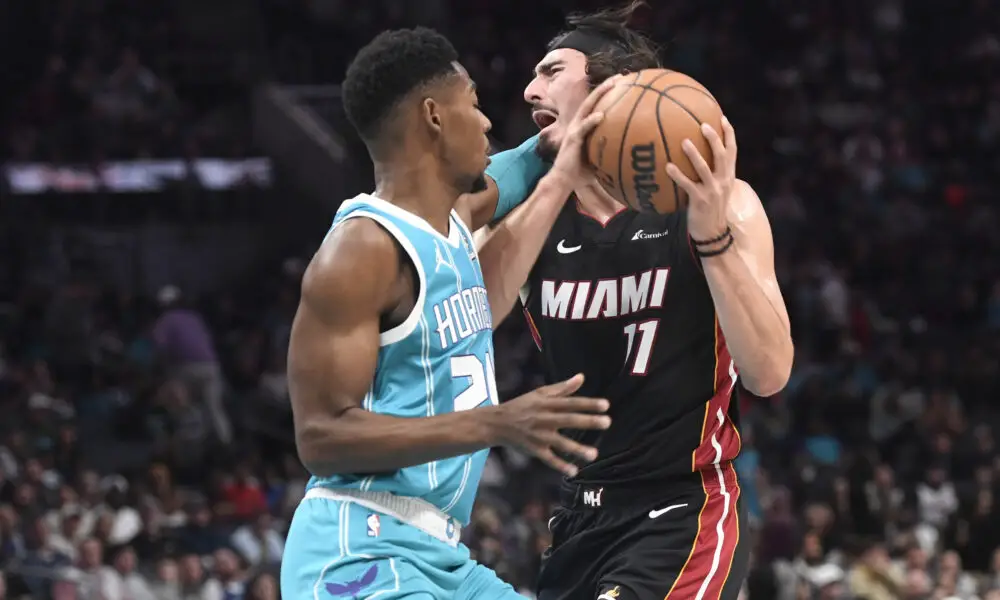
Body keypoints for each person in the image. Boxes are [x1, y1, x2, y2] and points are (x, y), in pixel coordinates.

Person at [458, 2, 795, 599]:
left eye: (551, 70)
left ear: (610, 90)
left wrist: (712, 238)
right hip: (578, 517)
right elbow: (470, 316)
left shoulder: (722, 203)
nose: (531, 86)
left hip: (682, 508)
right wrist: (554, 180)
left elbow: (769, 373)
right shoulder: (535, 217)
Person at [281, 27, 619, 600]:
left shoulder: (453, 217)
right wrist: (496, 423)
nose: (488, 122)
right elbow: (321, 436)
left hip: (438, 555)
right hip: (358, 550)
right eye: (475, 104)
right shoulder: (363, 248)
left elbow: (516, 169)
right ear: (435, 116)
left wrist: (566, 135)